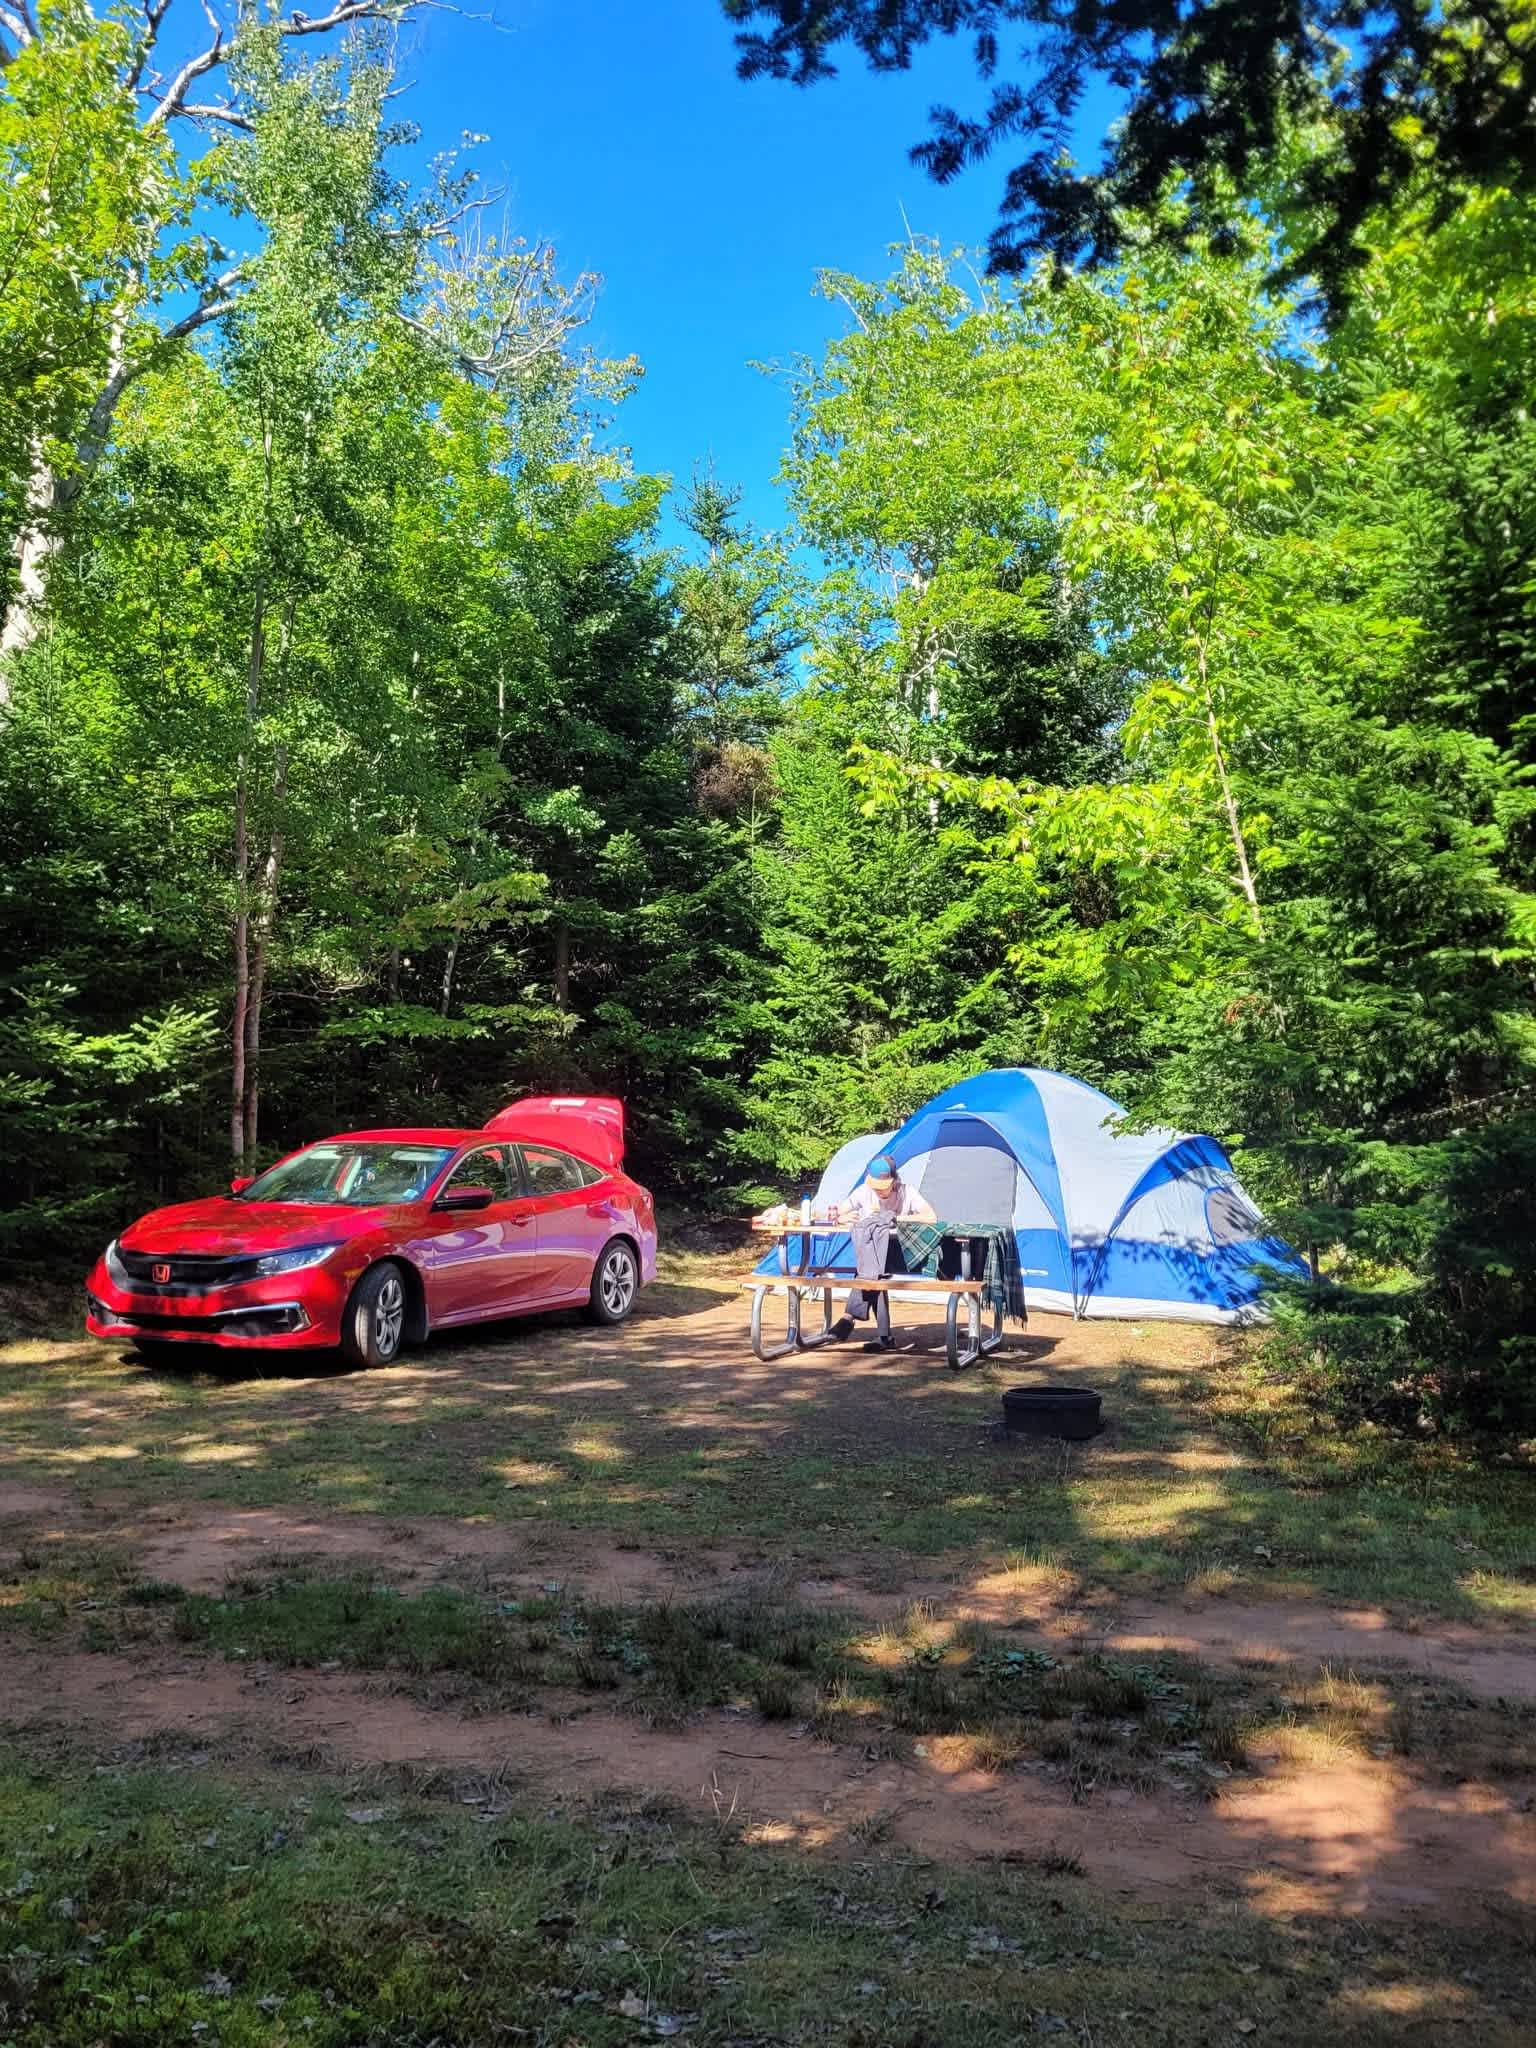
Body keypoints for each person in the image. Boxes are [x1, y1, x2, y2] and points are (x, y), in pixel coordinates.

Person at [829, 1154, 935, 1351]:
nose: (878, 1191)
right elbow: (840, 1211)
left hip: (899, 1253)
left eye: (883, 1187)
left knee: (871, 1270)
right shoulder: (864, 1191)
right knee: (874, 1272)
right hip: (872, 1255)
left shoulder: (906, 1192)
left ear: (893, 1181)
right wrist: (842, 1217)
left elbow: (931, 1217)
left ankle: (848, 1318)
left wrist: (896, 1218)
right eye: (875, 1187)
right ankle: (884, 1337)